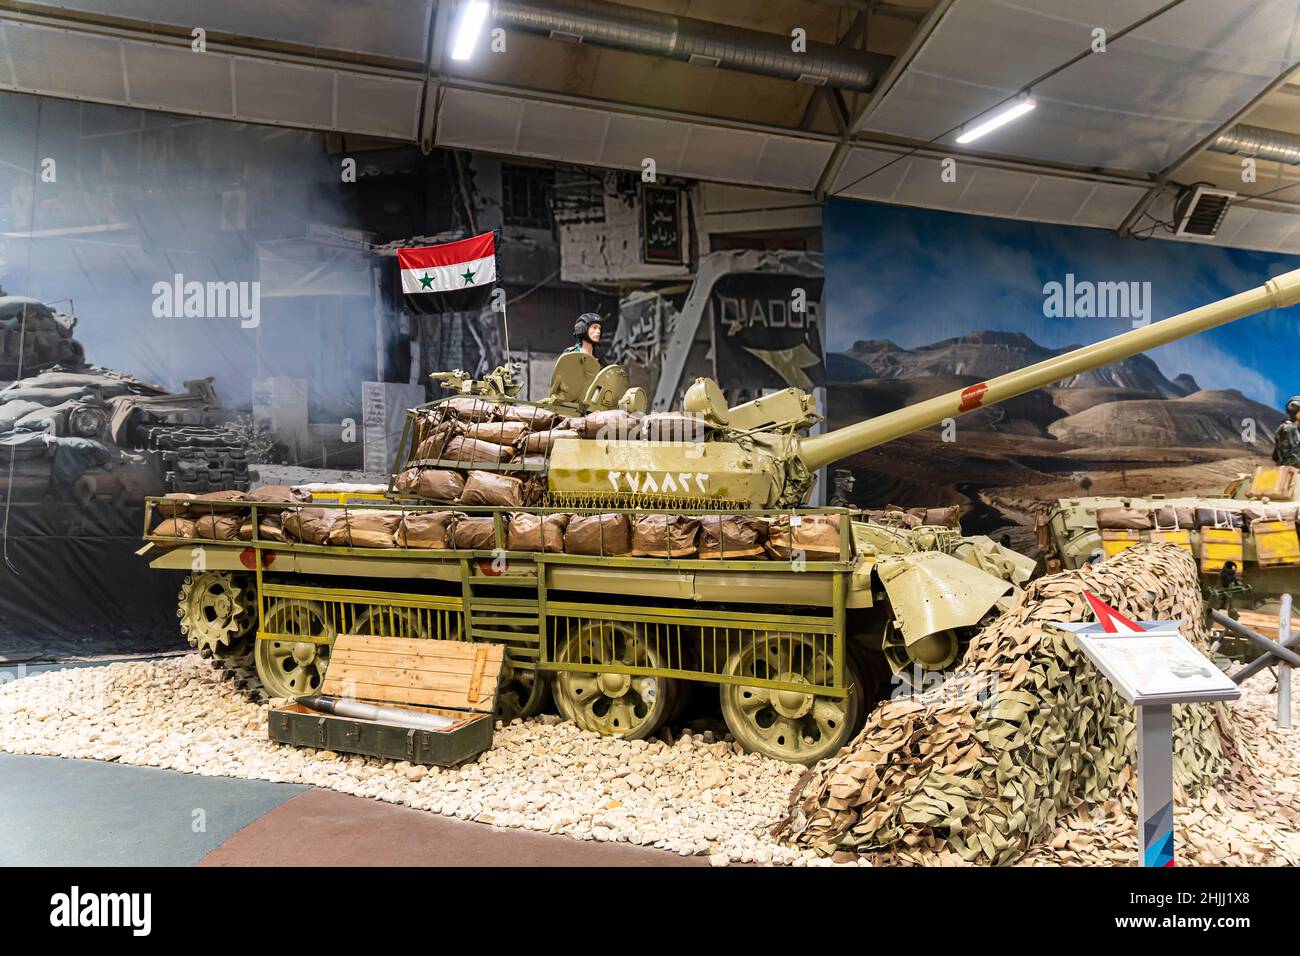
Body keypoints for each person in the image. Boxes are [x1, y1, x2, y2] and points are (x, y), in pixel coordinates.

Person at [1272, 396, 1300, 467]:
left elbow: (1275, 456)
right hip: (1289, 472)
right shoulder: (1289, 428)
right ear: (1294, 410)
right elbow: (1291, 459)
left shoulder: (1292, 428)